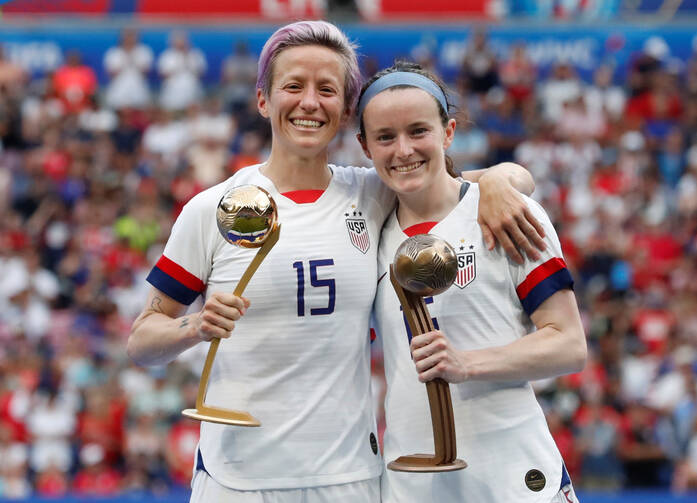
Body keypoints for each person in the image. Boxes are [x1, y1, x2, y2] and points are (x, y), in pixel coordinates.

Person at [127, 21, 544, 502]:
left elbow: (467, 185)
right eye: (293, 86)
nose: (309, 102)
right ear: (263, 100)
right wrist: (194, 326)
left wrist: (498, 180)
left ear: (347, 111)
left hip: (350, 480)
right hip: (237, 480)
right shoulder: (212, 209)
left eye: (327, 89)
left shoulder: (372, 193)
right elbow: (142, 341)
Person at [359, 62, 586, 502]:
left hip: (514, 475)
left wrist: (467, 364)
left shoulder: (507, 214)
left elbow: (569, 345)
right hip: (412, 480)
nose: (403, 150)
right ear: (364, 147)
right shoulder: (365, 233)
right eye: (385, 136)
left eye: (418, 131)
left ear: (448, 132)